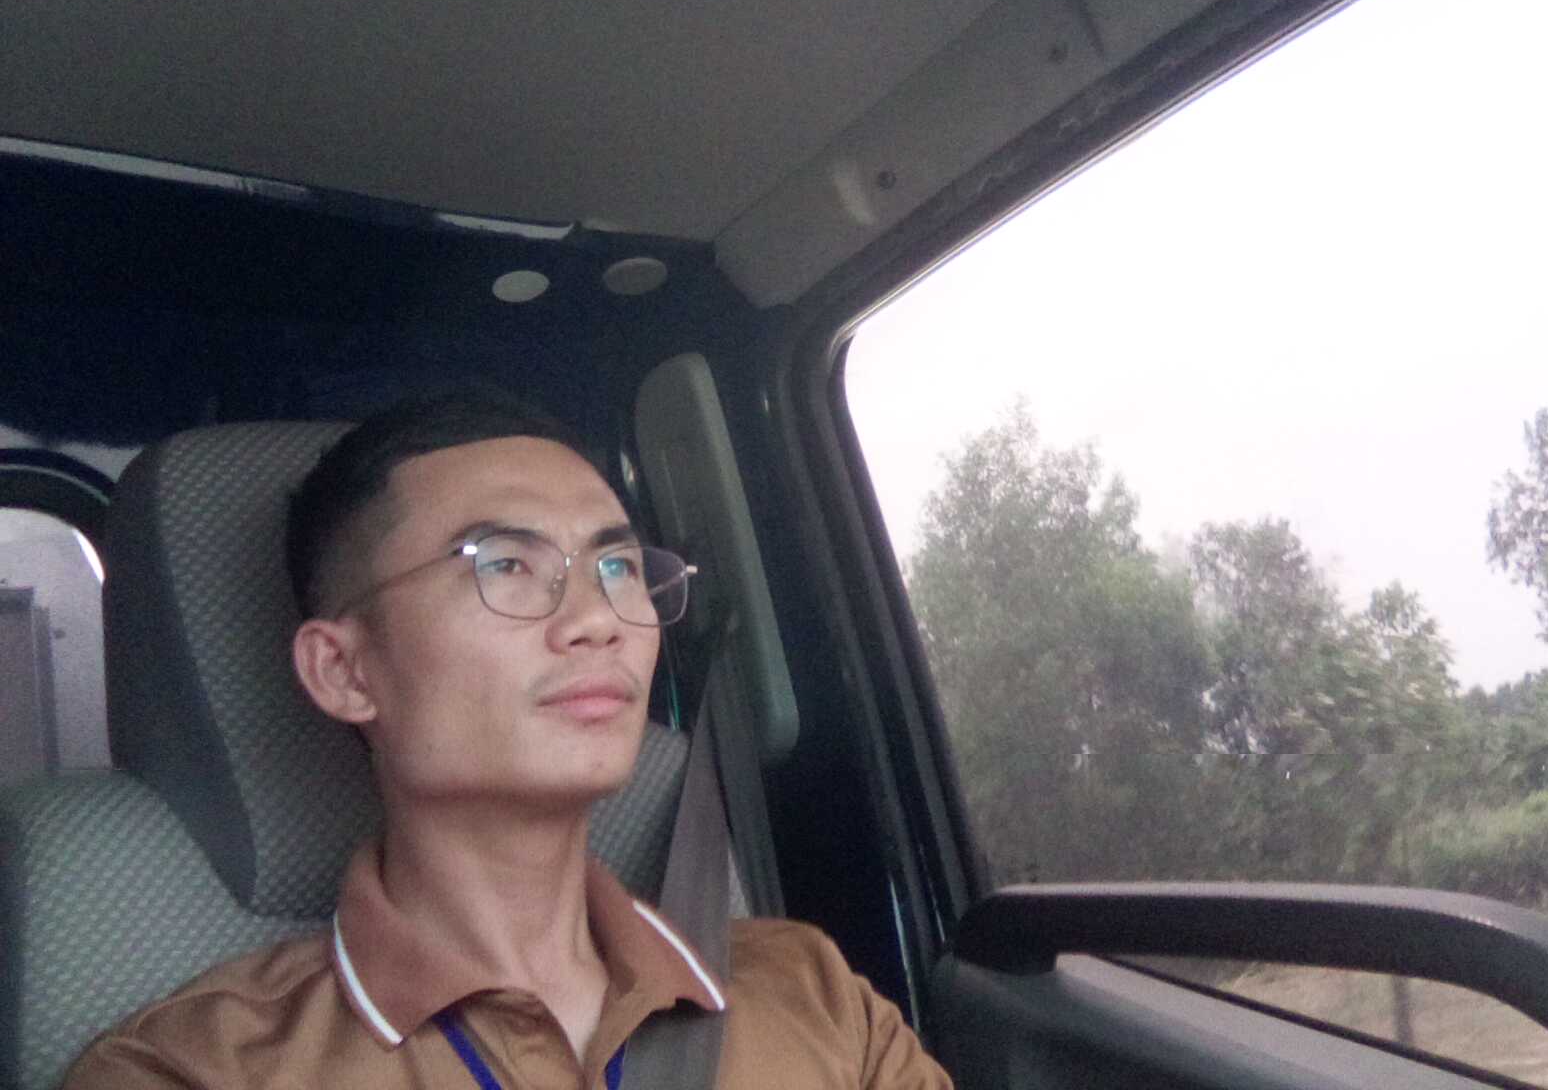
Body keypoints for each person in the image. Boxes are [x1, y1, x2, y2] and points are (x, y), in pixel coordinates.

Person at [63, 393, 952, 1089]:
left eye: (617, 566)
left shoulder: (813, 994)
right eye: (506, 565)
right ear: (345, 671)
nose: (598, 619)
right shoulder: (198, 1070)